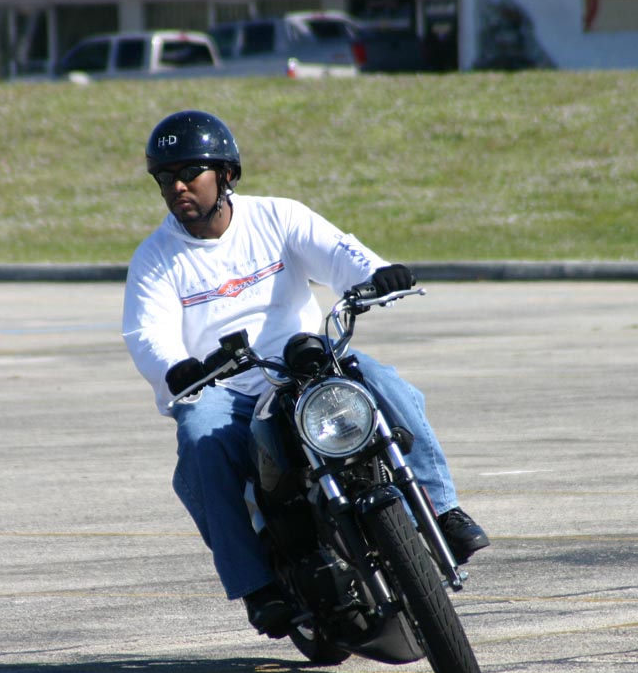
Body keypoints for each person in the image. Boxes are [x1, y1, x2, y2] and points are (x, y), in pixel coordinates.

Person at [121, 110, 488, 638]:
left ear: (226, 174)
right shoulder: (155, 258)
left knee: (382, 379)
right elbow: (147, 332)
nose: (177, 186)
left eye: (189, 172)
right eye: (165, 177)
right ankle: (256, 585)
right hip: (226, 386)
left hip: (303, 366)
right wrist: (176, 369)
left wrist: (376, 273)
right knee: (200, 438)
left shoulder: (277, 216)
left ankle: (443, 510)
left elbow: (339, 252)